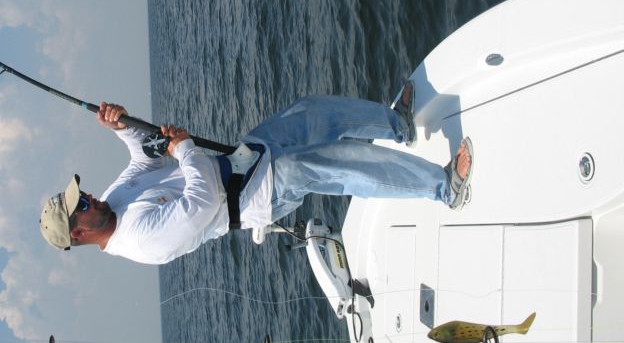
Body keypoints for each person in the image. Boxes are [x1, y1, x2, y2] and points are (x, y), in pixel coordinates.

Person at [39, 83, 473, 265]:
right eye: (80, 206)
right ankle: (444, 188)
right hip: (256, 196)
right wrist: (185, 147)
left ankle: (396, 123)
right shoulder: (139, 241)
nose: (89, 197)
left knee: (315, 113)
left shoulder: (113, 202)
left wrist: (124, 127)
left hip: (243, 157)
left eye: (81, 193)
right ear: (77, 235)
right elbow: (202, 200)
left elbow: (144, 163)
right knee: (340, 167)